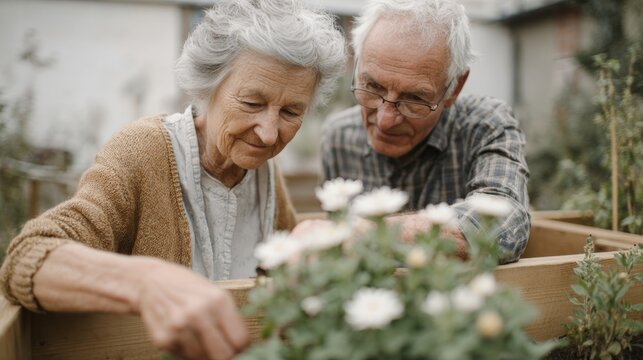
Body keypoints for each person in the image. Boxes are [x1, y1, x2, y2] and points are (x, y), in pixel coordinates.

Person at [0, 1, 345, 359]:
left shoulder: (264, 171)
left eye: (291, 111)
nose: (270, 133)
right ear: (208, 84)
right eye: (252, 103)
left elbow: (282, 262)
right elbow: (28, 257)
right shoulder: (143, 152)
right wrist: (145, 282)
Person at [321, 0, 529, 264]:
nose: (385, 121)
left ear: (454, 88)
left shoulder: (485, 125)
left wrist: (364, 232)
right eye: (372, 86)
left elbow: (503, 222)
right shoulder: (338, 138)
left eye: (415, 99)